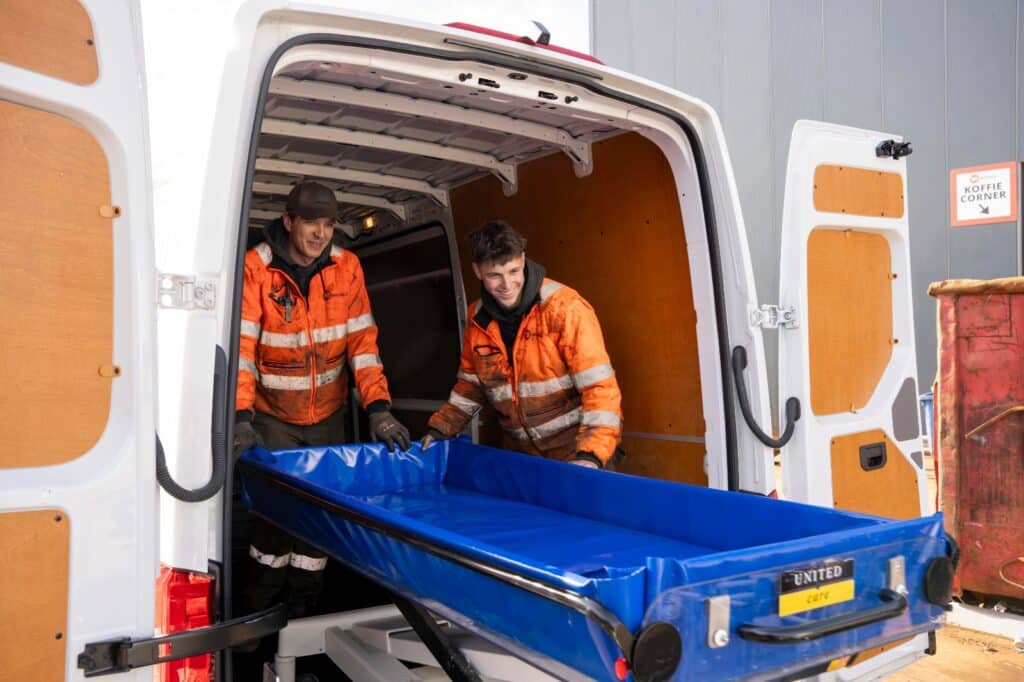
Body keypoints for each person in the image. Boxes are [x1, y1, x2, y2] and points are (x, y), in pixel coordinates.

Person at [234, 180, 409, 620]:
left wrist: (379, 409)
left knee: (317, 526)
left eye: (328, 224)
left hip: (328, 418)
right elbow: (241, 349)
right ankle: (257, 625)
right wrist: (240, 414)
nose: (319, 233)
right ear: (289, 221)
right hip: (273, 418)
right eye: (310, 222)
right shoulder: (257, 268)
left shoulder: (347, 266)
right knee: (273, 527)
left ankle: (302, 620)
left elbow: (362, 344)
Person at [423, 220, 623, 468]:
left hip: (576, 454)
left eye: (514, 271)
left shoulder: (565, 307)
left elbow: (600, 387)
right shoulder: (477, 318)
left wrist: (591, 455)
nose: (507, 285)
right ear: (477, 271)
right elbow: (472, 386)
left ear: (523, 259)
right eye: (495, 275)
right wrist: (442, 428)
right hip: (523, 458)